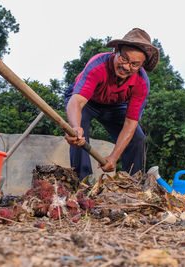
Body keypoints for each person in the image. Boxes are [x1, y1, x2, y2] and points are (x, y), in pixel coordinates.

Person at [64, 28, 159, 181]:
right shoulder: (98, 65)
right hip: (86, 100)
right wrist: (74, 127)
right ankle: (83, 184)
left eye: (134, 64)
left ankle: (132, 185)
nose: (127, 67)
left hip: (114, 105)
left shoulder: (141, 83)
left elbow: (130, 123)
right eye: (124, 59)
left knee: (138, 138)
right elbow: (77, 101)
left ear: (142, 65)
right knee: (78, 134)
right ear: (116, 51)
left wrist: (114, 157)